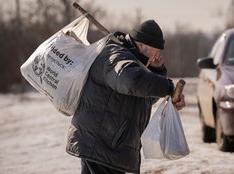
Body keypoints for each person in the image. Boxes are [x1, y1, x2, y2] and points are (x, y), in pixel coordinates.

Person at [66, 19, 186, 174]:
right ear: (141, 45)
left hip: (112, 146)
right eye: (155, 49)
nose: (157, 55)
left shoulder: (135, 61)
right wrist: (168, 88)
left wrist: (158, 72)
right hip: (101, 144)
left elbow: (146, 98)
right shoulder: (116, 56)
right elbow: (131, 81)